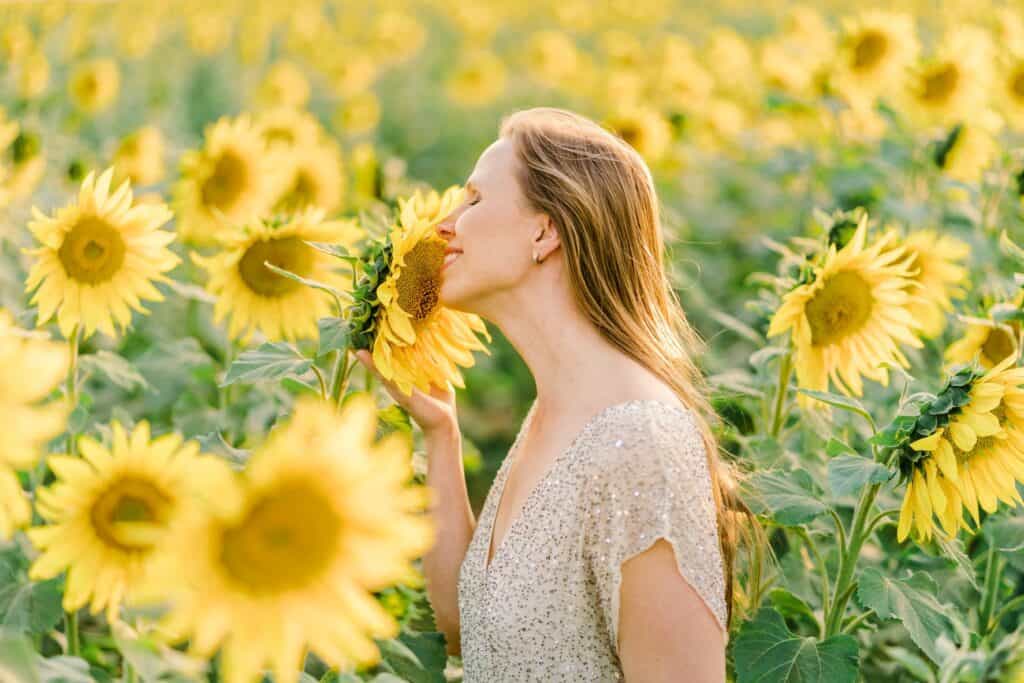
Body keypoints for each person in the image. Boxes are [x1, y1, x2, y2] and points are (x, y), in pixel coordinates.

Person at [356, 107, 753, 682]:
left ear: (544, 231)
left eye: (471, 200)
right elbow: (465, 632)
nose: (442, 225)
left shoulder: (643, 442)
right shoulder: (553, 414)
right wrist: (441, 434)